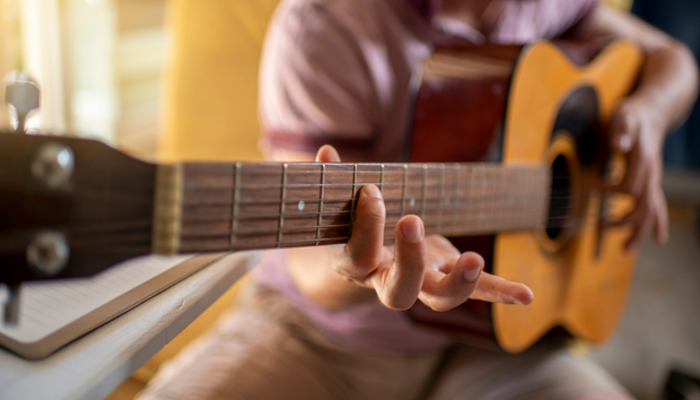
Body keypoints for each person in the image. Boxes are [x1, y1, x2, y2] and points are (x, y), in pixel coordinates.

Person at [137, 0, 698, 399]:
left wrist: (649, 112)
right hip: (317, 336)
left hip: (502, 342)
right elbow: (308, 261)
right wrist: (358, 266)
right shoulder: (328, 22)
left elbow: (674, 60)